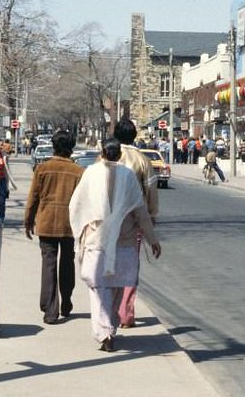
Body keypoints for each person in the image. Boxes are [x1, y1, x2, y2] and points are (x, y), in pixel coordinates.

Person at [69, 138, 161, 353]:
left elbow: (76, 206)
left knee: (98, 288)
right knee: (117, 285)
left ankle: (105, 332)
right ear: (119, 154)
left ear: (102, 153)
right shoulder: (128, 176)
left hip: (96, 240)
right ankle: (110, 327)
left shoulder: (91, 173)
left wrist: (80, 231)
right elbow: (141, 211)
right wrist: (152, 239)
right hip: (124, 240)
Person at [24, 130, 84, 324]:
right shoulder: (78, 171)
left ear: (54, 146)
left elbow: (33, 197)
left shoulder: (43, 168)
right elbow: (83, 201)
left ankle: (50, 309)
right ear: (71, 148)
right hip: (69, 223)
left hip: (47, 221)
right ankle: (66, 299)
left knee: (48, 265)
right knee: (67, 262)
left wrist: (28, 221)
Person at [113, 119, 160, 328]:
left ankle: (110, 309)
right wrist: (150, 219)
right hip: (134, 220)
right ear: (134, 136)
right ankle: (126, 313)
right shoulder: (142, 160)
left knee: (109, 264)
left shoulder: (106, 156)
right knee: (130, 266)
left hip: (108, 219)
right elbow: (151, 192)